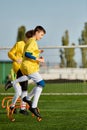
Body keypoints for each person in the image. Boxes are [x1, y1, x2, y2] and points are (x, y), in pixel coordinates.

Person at [7, 25, 46, 118]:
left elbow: (29, 52)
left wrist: (38, 54)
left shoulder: (30, 41)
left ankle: (13, 83)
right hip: (29, 67)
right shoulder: (32, 41)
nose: (41, 37)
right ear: (36, 32)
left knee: (30, 80)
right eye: (41, 35)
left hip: (26, 66)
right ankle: (33, 105)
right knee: (42, 84)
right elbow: (27, 54)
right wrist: (38, 59)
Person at [5, 30, 34, 115]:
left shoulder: (31, 46)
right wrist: (15, 59)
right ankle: (17, 108)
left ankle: (17, 108)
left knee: (24, 90)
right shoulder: (19, 44)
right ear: (26, 37)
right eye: (29, 39)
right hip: (17, 70)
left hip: (25, 70)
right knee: (19, 92)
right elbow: (10, 53)